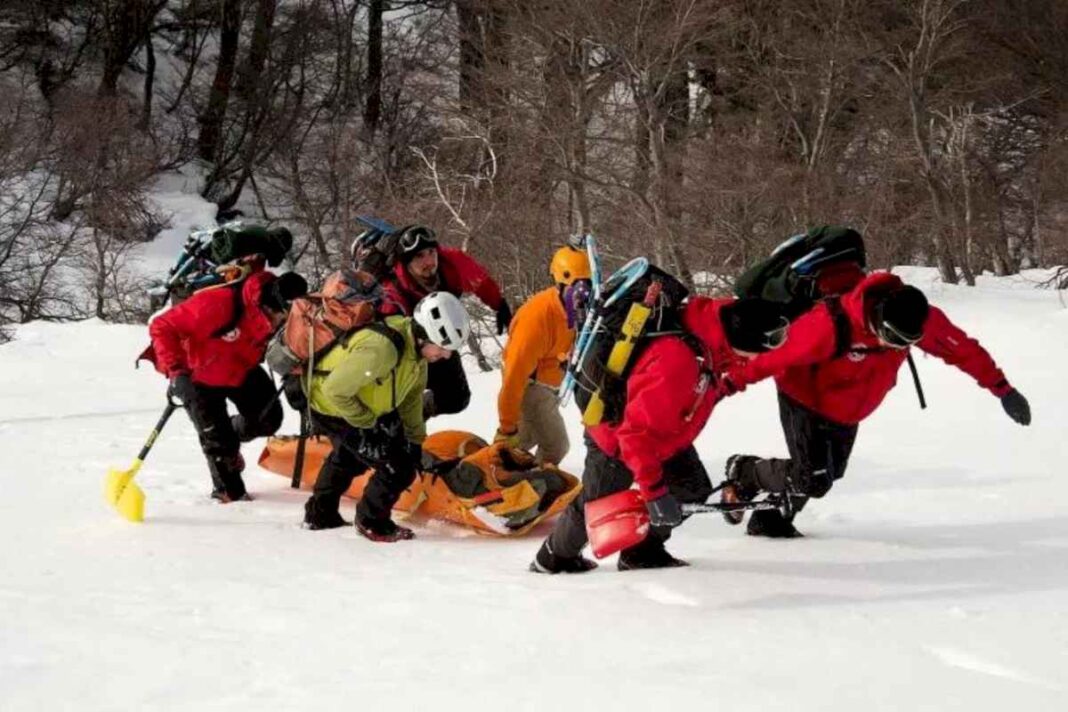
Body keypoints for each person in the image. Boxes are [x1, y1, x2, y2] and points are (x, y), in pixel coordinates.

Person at [720, 271, 1032, 538]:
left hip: (851, 406)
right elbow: (774, 357)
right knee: (813, 478)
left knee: (830, 473)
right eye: (892, 339)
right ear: (878, 316)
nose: (893, 347)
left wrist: (1002, 389)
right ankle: (746, 471)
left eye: (904, 344)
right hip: (804, 397)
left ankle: (768, 520)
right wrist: (728, 383)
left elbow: (962, 350)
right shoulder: (829, 324)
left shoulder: (920, 317)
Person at [530, 296, 789, 573]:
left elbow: (708, 380)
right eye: (761, 349)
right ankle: (552, 559)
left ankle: (642, 551)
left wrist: (727, 385)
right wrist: (653, 494)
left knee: (690, 489)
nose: (761, 357)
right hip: (616, 438)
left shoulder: (713, 331)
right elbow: (634, 435)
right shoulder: (677, 361)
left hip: (665, 436)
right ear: (743, 339)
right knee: (598, 503)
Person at [301, 291, 472, 542]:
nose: (446, 356)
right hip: (331, 406)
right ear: (424, 336)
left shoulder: (417, 357)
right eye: (444, 348)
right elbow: (334, 391)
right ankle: (371, 522)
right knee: (396, 467)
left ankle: (320, 513)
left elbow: (411, 400)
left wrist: (414, 441)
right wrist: (366, 426)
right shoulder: (382, 350)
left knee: (352, 457)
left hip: (361, 405)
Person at [145, 271, 308, 501]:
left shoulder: (289, 311)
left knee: (268, 419)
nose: (281, 321)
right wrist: (176, 372)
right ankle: (227, 490)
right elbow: (162, 326)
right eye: (279, 315)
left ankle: (229, 434)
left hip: (241, 368)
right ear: (267, 304)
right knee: (221, 453)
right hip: (198, 375)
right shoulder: (218, 304)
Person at [371, 225, 510, 417]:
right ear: (406, 262)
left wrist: (499, 304)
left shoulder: (450, 263)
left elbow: (480, 280)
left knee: (456, 399)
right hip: (408, 351)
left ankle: (420, 412)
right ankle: (403, 420)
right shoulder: (392, 290)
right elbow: (386, 336)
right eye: (419, 256)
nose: (429, 261)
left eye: (431, 252)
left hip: (441, 343)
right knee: (396, 405)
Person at [495, 245, 592, 464]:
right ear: (560, 283)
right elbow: (514, 375)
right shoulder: (537, 319)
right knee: (555, 445)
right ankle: (523, 484)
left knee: (525, 437)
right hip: (531, 386)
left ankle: (497, 470)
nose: (582, 296)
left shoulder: (574, 311)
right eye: (576, 288)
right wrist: (506, 426)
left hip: (549, 385)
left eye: (587, 288)